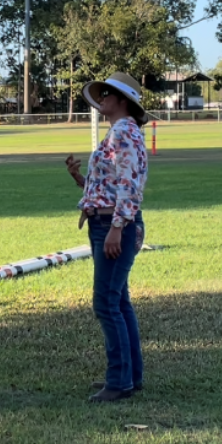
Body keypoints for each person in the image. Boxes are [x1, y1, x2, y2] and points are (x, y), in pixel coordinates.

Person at [65, 72, 149, 402]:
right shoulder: (121, 131)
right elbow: (110, 183)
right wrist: (80, 178)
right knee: (119, 301)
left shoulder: (123, 131)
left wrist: (117, 228)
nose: (101, 100)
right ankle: (130, 374)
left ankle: (119, 381)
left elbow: (128, 184)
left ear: (123, 100)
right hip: (108, 221)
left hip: (113, 226)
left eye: (107, 95)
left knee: (106, 303)